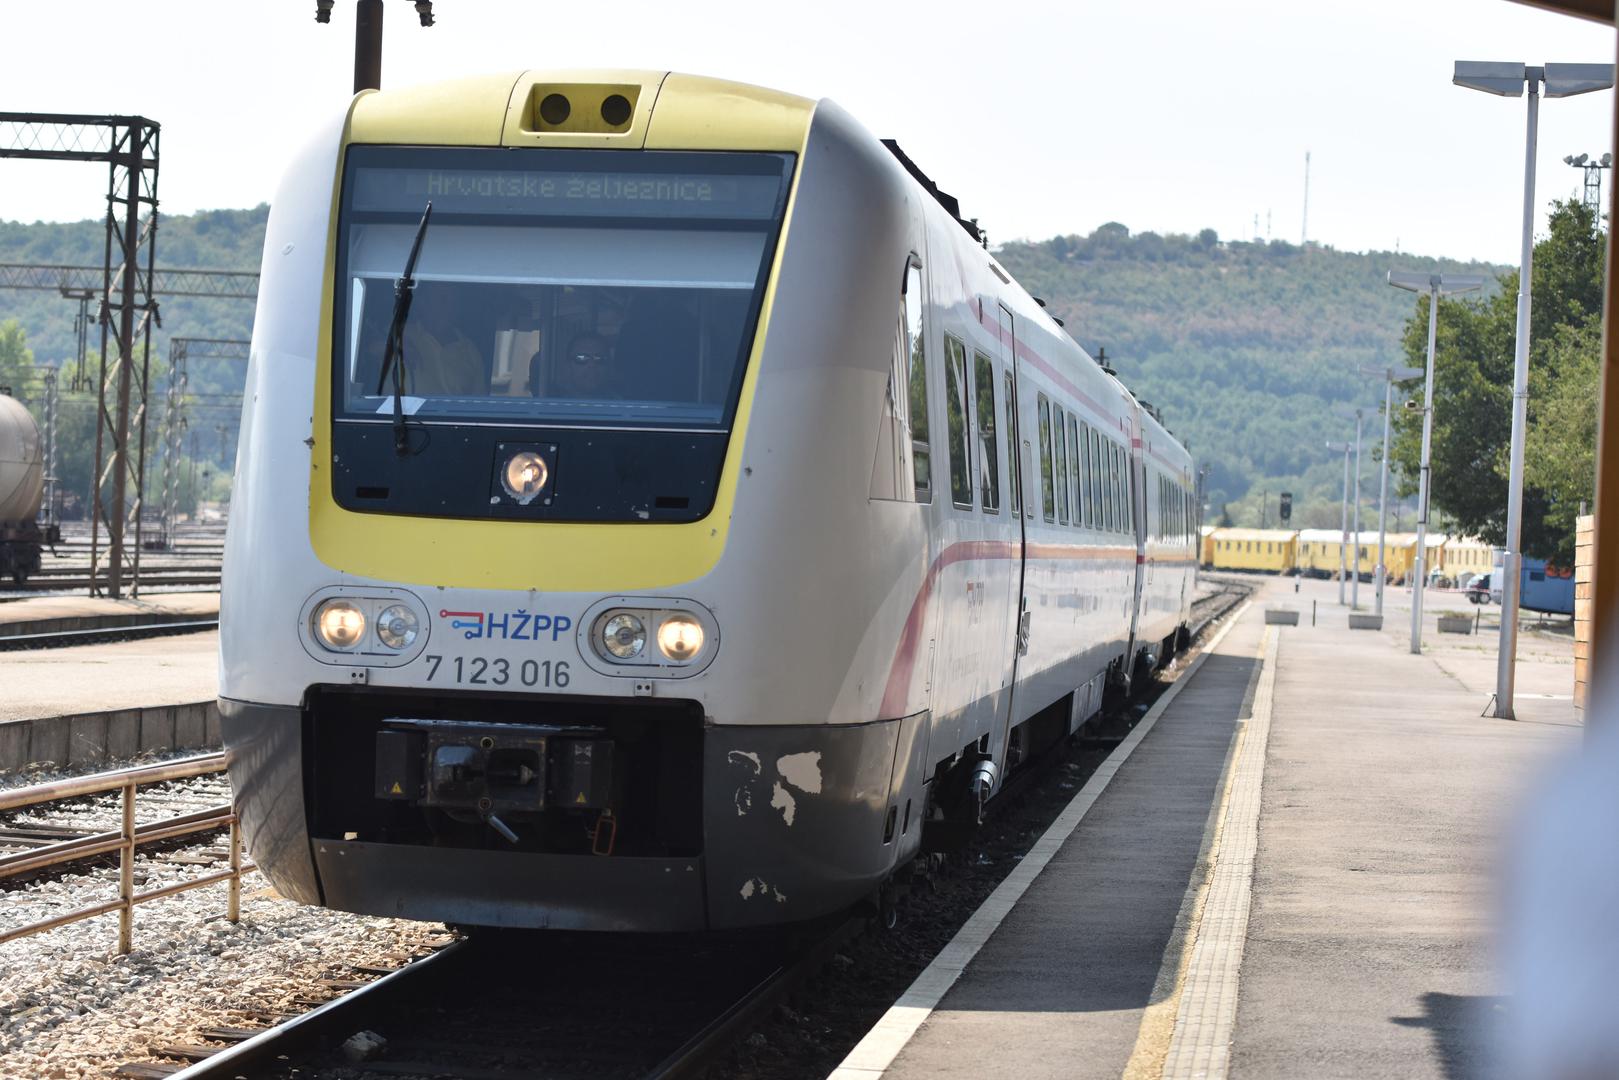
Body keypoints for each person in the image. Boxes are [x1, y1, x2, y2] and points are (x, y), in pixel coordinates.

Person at [400, 282, 486, 396]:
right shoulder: (401, 334)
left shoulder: (470, 352)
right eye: (442, 299)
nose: (449, 308)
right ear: (422, 302)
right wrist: (394, 349)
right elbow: (374, 349)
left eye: (453, 301)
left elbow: (477, 402)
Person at [544, 332, 618, 399]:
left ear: (609, 366)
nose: (592, 365)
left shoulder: (620, 405)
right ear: (567, 366)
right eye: (581, 358)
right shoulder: (547, 403)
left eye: (599, 358)